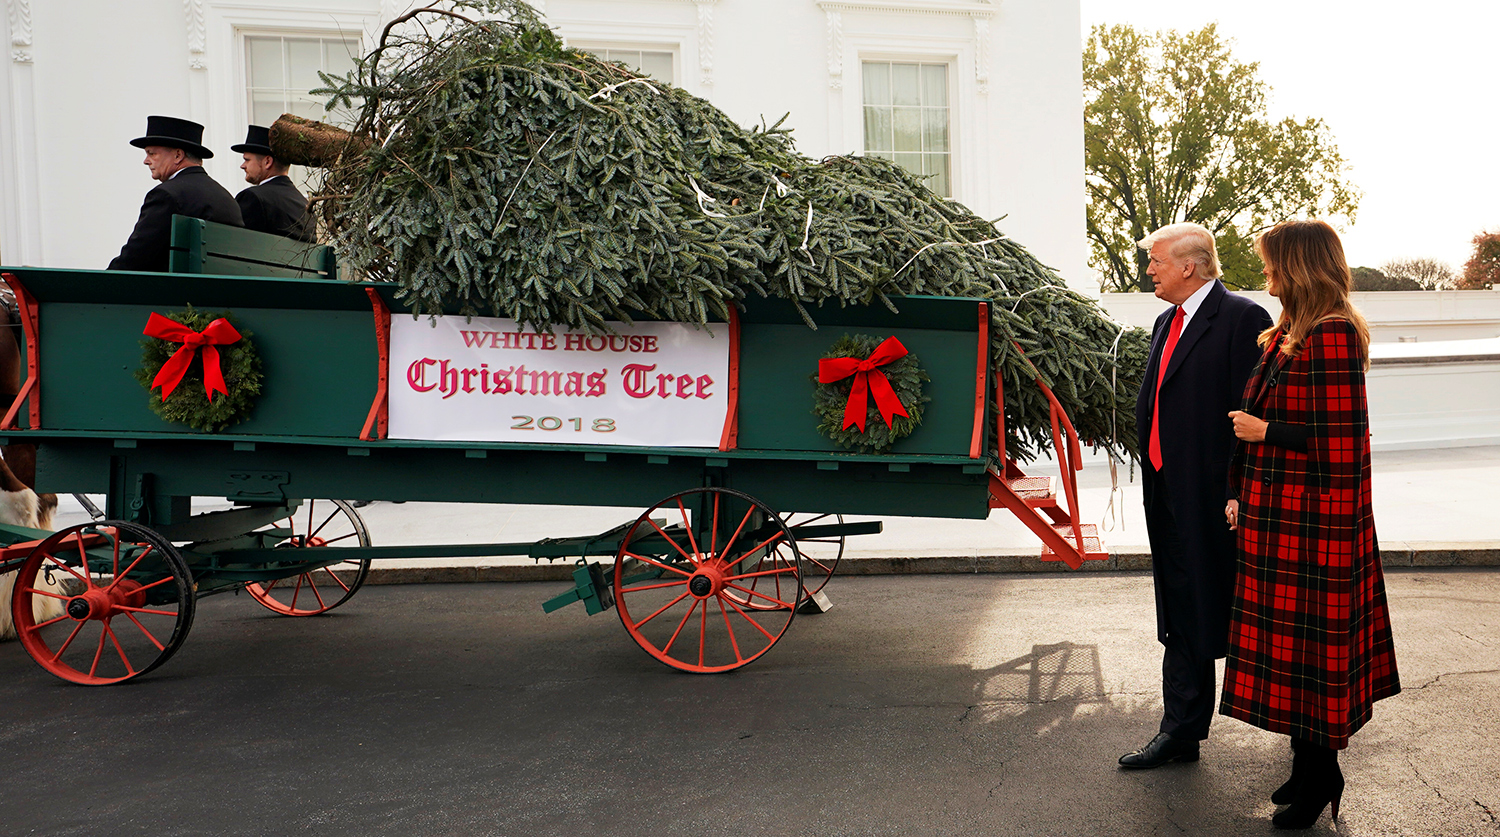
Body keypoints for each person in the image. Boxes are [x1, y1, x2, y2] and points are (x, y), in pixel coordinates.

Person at [1222, 219, 1400, 829]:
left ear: (1299, 266)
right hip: (1279, 520)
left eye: (1273, 265)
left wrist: (1264, 431)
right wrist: (1239, 492)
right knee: (1292, 654)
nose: (1266, 275)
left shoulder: (1332, 335)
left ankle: (1322, 777)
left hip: (1314, 527)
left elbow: (1343, 442)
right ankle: (1306, 770)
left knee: (1312, 655)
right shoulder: (1288, 335)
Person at [1119, 222, 1272, 770]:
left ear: (1189, 265)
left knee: (1245, 613)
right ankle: (1181, 731)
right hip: (1168, 493)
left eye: (1156, 260)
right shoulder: (1165, 321)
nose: (1149, 270)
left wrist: (1237, 490)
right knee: (1180, 610)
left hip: (1217, 502)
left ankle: (1303, 737)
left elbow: (1252, 416)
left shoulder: (1243, 319)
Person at [109, 116, 243, 272]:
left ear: (178, 155)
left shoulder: (167, 195)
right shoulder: (225, 197)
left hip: (180, 292)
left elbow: (137, 256)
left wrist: (99, 284)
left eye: (152, 154)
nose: (146, 161)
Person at [231, 125, 316, 242]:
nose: (242, 166)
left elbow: (236, 244)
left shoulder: (253, 198)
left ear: (267, 162)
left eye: (247, 160)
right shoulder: (304, 204)